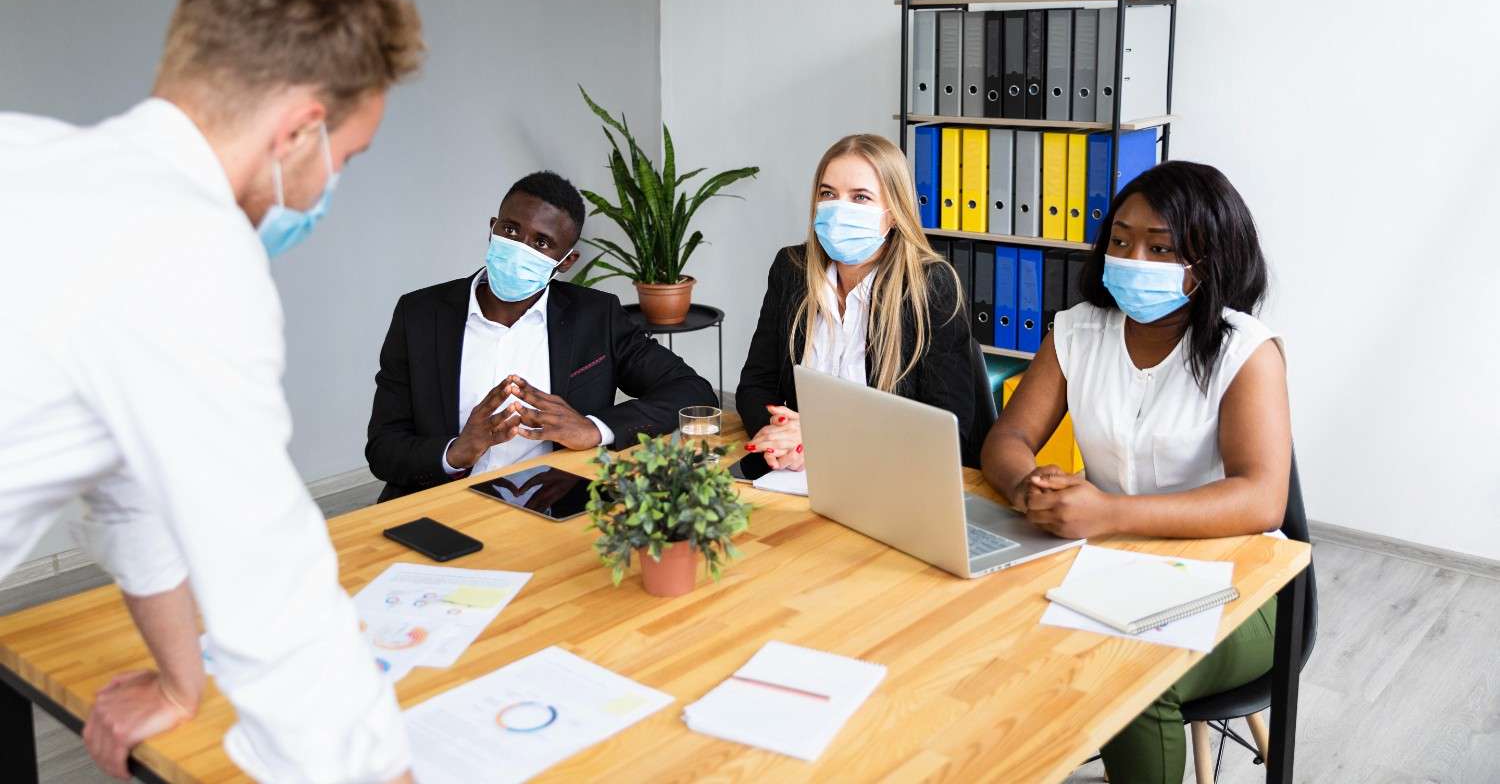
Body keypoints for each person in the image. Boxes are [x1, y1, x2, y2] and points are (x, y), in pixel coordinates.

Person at [0, 0, 424, 782]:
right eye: (348, 156)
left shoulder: (29, 155)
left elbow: (126, 484)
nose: (334, 182)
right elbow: (269, 584)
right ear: (300, 131)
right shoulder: (184, 248)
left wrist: (177, 680)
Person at [978, 160, 1292, 784]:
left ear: (1210, 260)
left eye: (1160, 248)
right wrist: (1027, 486)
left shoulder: (1245, 351)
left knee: (1130, 679)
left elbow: (1262, 499)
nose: (1132, 260)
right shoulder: (1077, 331)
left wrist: (1109, 513)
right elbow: (1009, 438)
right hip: (1099, 567)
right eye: (1120, 241)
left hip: (1240, 584)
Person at [365, 170, 717, 500]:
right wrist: (455, 452)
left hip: (554, 507)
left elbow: (691, 390)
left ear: (566, 261)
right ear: (492, 228)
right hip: (441, 506)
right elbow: (383, 448)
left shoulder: (597, 316)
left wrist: (593, 429)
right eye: (511, 230)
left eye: (542, 242)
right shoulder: (419, 315)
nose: (520, 247)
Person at [735, 133, 975, 471]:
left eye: (860, 197)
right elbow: (755, 386)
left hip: (887, 474)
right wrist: (781, 440)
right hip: (797, 472)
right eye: (828, 194)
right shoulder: (791, 270)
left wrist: (821, 438)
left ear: (894, 213)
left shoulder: (930, 286)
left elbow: (949, 431)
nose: (838, 209)